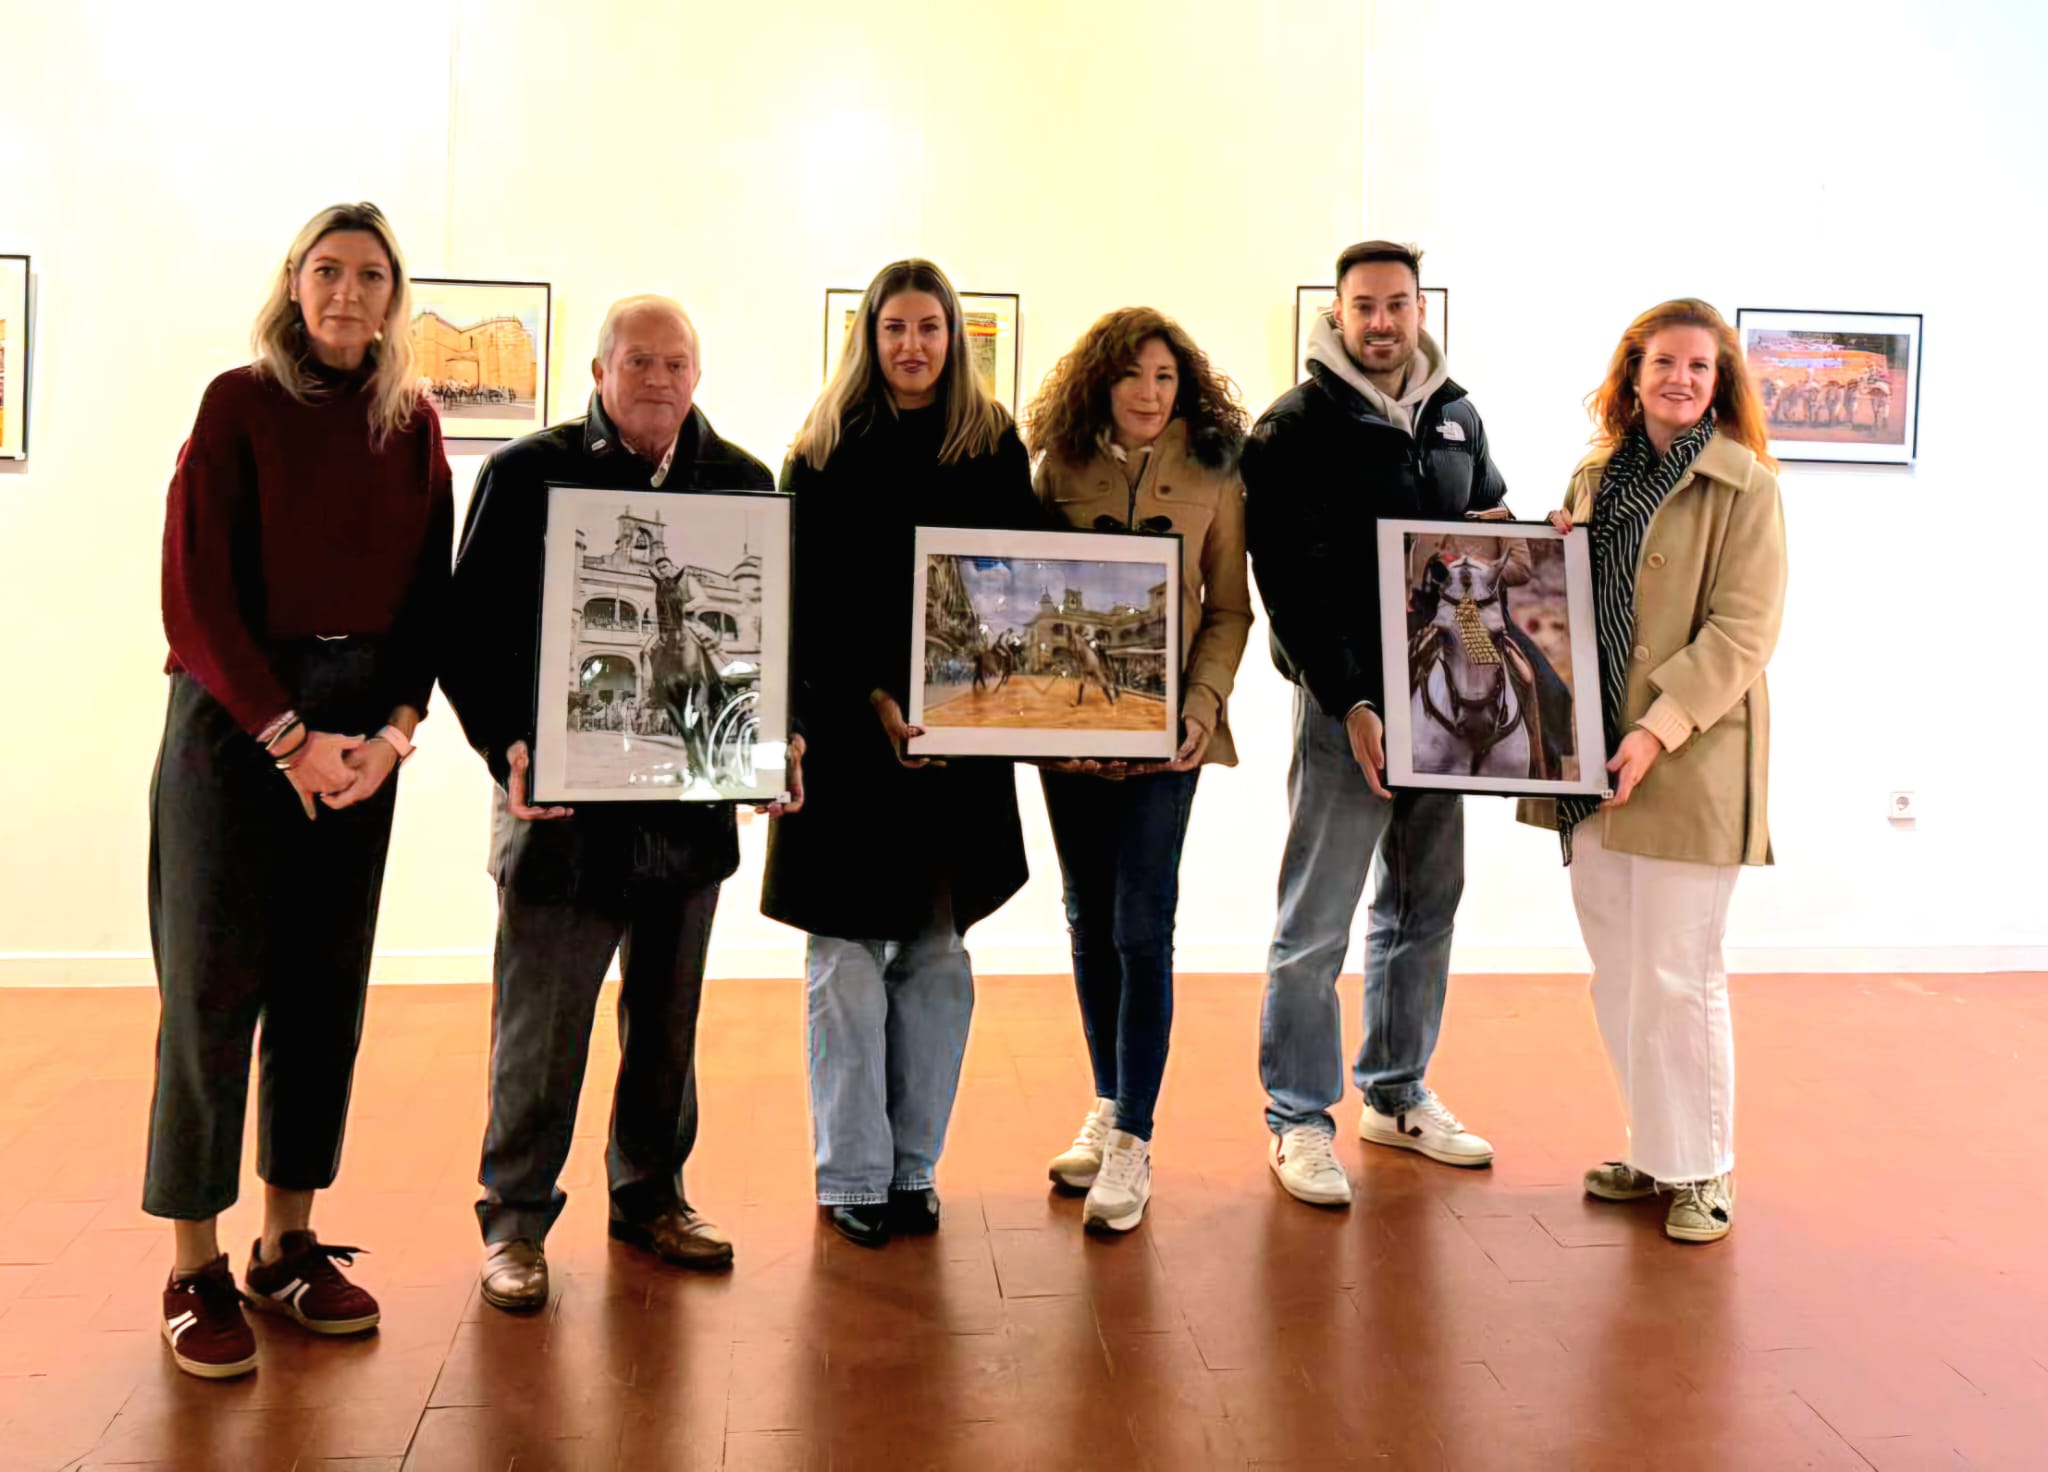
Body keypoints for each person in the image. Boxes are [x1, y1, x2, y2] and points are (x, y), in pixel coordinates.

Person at [440, 295, 799, 1312]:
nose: (657, 378)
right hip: (559, 812)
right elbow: (466, 635)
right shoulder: (524, 476)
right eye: (636, 360)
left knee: (666, 1026)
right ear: (597, 371)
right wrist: (505, 742)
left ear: (698, 373)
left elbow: (774, 642)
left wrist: (781, 737)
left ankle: (651, 1194)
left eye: (674, 361)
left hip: (687, 812)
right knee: (540, 1028)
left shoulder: (740, 486)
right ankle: (513, 1220)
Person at [146, 202, 452, 1378]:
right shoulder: (236, 405)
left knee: (325, 996)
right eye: (327, 270)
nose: (347, 292)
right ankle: (195, 1262)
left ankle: (285, 1243)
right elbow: (194, 596)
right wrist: (287, 735)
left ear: (392, 296)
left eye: (370, 275)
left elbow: (429, 597)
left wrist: (393, 728)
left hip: (362, 733)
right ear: (293, 281)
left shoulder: (412, 424)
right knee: (213, 994)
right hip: (236, 729)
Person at [762, 259, 1039, 1248]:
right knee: (840, 962)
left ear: (951, 336)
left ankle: (912, 1167)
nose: (911, 345)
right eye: (894, 328)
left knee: (934, 960)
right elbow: (800, 601)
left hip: (957, 744)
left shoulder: (992, 443)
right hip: (844, 737)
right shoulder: (820, 447)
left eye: (928, 327)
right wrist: (874, 695)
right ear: (867, 337)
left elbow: (1024, 581)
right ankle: (851, 1173)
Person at [1243, 239, 1506, 1208]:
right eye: (1365, 306)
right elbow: (1292, 585)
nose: (1383, 322)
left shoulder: (1454, 415)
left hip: (1445, 712)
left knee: (1423, 906)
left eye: (1398, 304)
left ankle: (1393, 1094)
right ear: (1338, 313)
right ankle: (1298, 1118)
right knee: (1314, 926)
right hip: (1342, 711)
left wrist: (1531, 541)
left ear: (1419, 309)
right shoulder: (1293, 427)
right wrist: (1351, 700)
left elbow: (1486, 525)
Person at [1521, 298, 1786, 1244]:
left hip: (1688, 761)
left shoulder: (1746, 485)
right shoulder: (1594, 477)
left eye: (1700, 368)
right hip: (1586, 759)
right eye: (1663, 362)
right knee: (1620, 974)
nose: (1680, 379)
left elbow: (1744, 632)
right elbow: (1567, 607)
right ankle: (1656, 1150)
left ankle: (1705, 1170)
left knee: (1680, 974)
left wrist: (1658, 729)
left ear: (1722, 385)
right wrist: (1540, 552)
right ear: (1632, 374)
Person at [1020, 307, 1253, 1233]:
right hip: (1070, 740)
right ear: (1100, 385)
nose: (1150, 395)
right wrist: (1041, 726)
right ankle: (1109, 1101)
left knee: (1141, 922)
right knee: (1086, 917)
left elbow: (1230, 610)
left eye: (1164, 377)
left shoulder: (1216, 471)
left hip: (1170, 744)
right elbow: (1027, 582)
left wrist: (1201, 709)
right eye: (1131, 378)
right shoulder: (1059, 467)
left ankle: (1135, 1142)